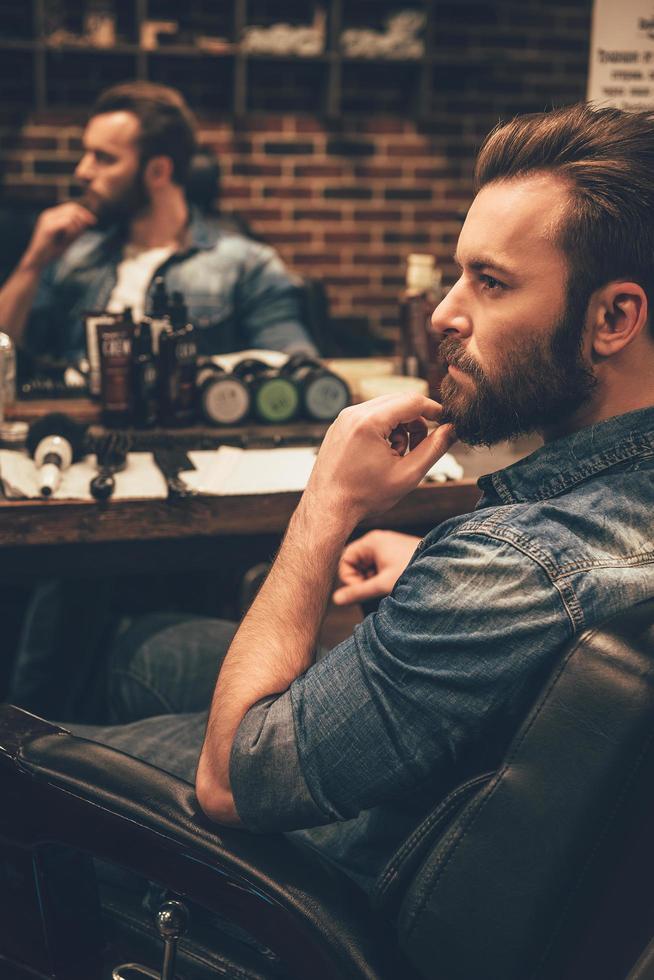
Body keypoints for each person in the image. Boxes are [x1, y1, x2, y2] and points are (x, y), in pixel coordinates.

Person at [19, 102, 654, 896]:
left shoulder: (514, 569)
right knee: (138, 645)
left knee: (23, 761)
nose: (445, 313)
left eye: (490, 283)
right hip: (451, 791)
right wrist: (432, 561)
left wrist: (329, 499)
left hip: (329, 870)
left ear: (615, 317)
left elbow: (228, 778)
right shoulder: (569, 549)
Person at [0, 81, 316, 362]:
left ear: (158, 172)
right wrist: (32, 262)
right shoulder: (73, 255)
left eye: (103, 158)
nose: (82, 171)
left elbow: (295, 367)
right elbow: (5, 354)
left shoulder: (247, 265)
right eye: (86, 154)